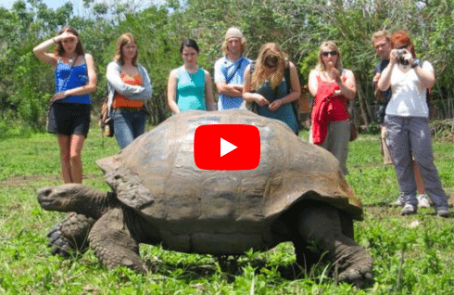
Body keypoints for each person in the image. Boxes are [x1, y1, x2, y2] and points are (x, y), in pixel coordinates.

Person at [377, 31, 449, 217]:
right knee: (401, 162)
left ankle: (440, 202)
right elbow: (382, 87)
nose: (401, 52)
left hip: (418, 119)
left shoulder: (423, 64)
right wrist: (392, 63)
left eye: (404, 48)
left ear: (411, 47)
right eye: (397, 49)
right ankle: (409, 200)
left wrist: (413, 63)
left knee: (425, 160)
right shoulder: (390, 67)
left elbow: (429, 81)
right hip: (394, 118)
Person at [371, 31, 431, 208]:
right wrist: (377, 84)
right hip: (390, 115)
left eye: (383, 45)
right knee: (399, 158)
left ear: (392, 45)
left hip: (413, 114)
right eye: (377, 47)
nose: (380, 49)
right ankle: (406, 194)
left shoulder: (413, 62)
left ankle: (421, 195)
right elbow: (379, 96)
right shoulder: (380, 67)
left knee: (416, 157)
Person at [33, 26, 97, 184]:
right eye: (65, 40)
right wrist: (56, 39)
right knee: (64, 155)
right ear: (61, 42)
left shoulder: (86, 57)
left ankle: (79, 192)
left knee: (74, 154)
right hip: (60, 109)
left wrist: (67, 93)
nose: (69, 43)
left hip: (81, 108)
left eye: (72, 39)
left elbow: (92, 85)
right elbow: (36, 51)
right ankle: (69, 195)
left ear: (78, 40)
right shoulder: (56, 58)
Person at [308, 41, 356, 175]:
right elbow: (316, 92)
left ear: (337, 55)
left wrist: (339, 80)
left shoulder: (347, 73)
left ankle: (338, 192)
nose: (329, 56)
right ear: (321, 57)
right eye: (325, 53)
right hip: (319, 120)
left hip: (340, 120)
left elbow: (351, 94)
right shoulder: (315, 74)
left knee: (338, 161)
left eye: (333, 53)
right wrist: (338, 91)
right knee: (317, 158)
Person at [106, 33, 152, 149]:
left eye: (133, 46)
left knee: (139, 152)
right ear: (120, 49)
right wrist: (139, 90)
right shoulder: (113, 67)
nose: (130, 50)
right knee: (129, 150)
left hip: (140, 114)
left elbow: (148, 93)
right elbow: (121, 88)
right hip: (121, 114)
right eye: (127, 47)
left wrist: (128, 93)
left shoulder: (141, 69)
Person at [242, 43, 300, 133]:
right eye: (267, 66)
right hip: (260, 118)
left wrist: (281, 101)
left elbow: (297, 92)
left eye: (274, 66)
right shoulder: (251, 69)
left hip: (285, 117)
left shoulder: (288, 67)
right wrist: (255, 97)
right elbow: (245, 93)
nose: (270, 69)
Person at [167, 39, 215, 113]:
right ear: (182, 55)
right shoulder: (174, 74)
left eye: (192, 54)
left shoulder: (205, 74)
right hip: (181, 117)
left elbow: (210, 102)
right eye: (186, 54)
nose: (189, 58)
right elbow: (171, 101)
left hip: (201, 116)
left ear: (197, 53)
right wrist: (179, 113)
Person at [214, 27, 251, 110]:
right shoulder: (220, 64)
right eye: (230, 41)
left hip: (246, 110)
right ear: (226, 43)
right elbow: (221, 88)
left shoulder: (250, 64)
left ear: (241, 42)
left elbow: (254, 88)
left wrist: (230, 87)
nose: (233, 44)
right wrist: (246, 92)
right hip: (225, 111)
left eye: (236, 41)